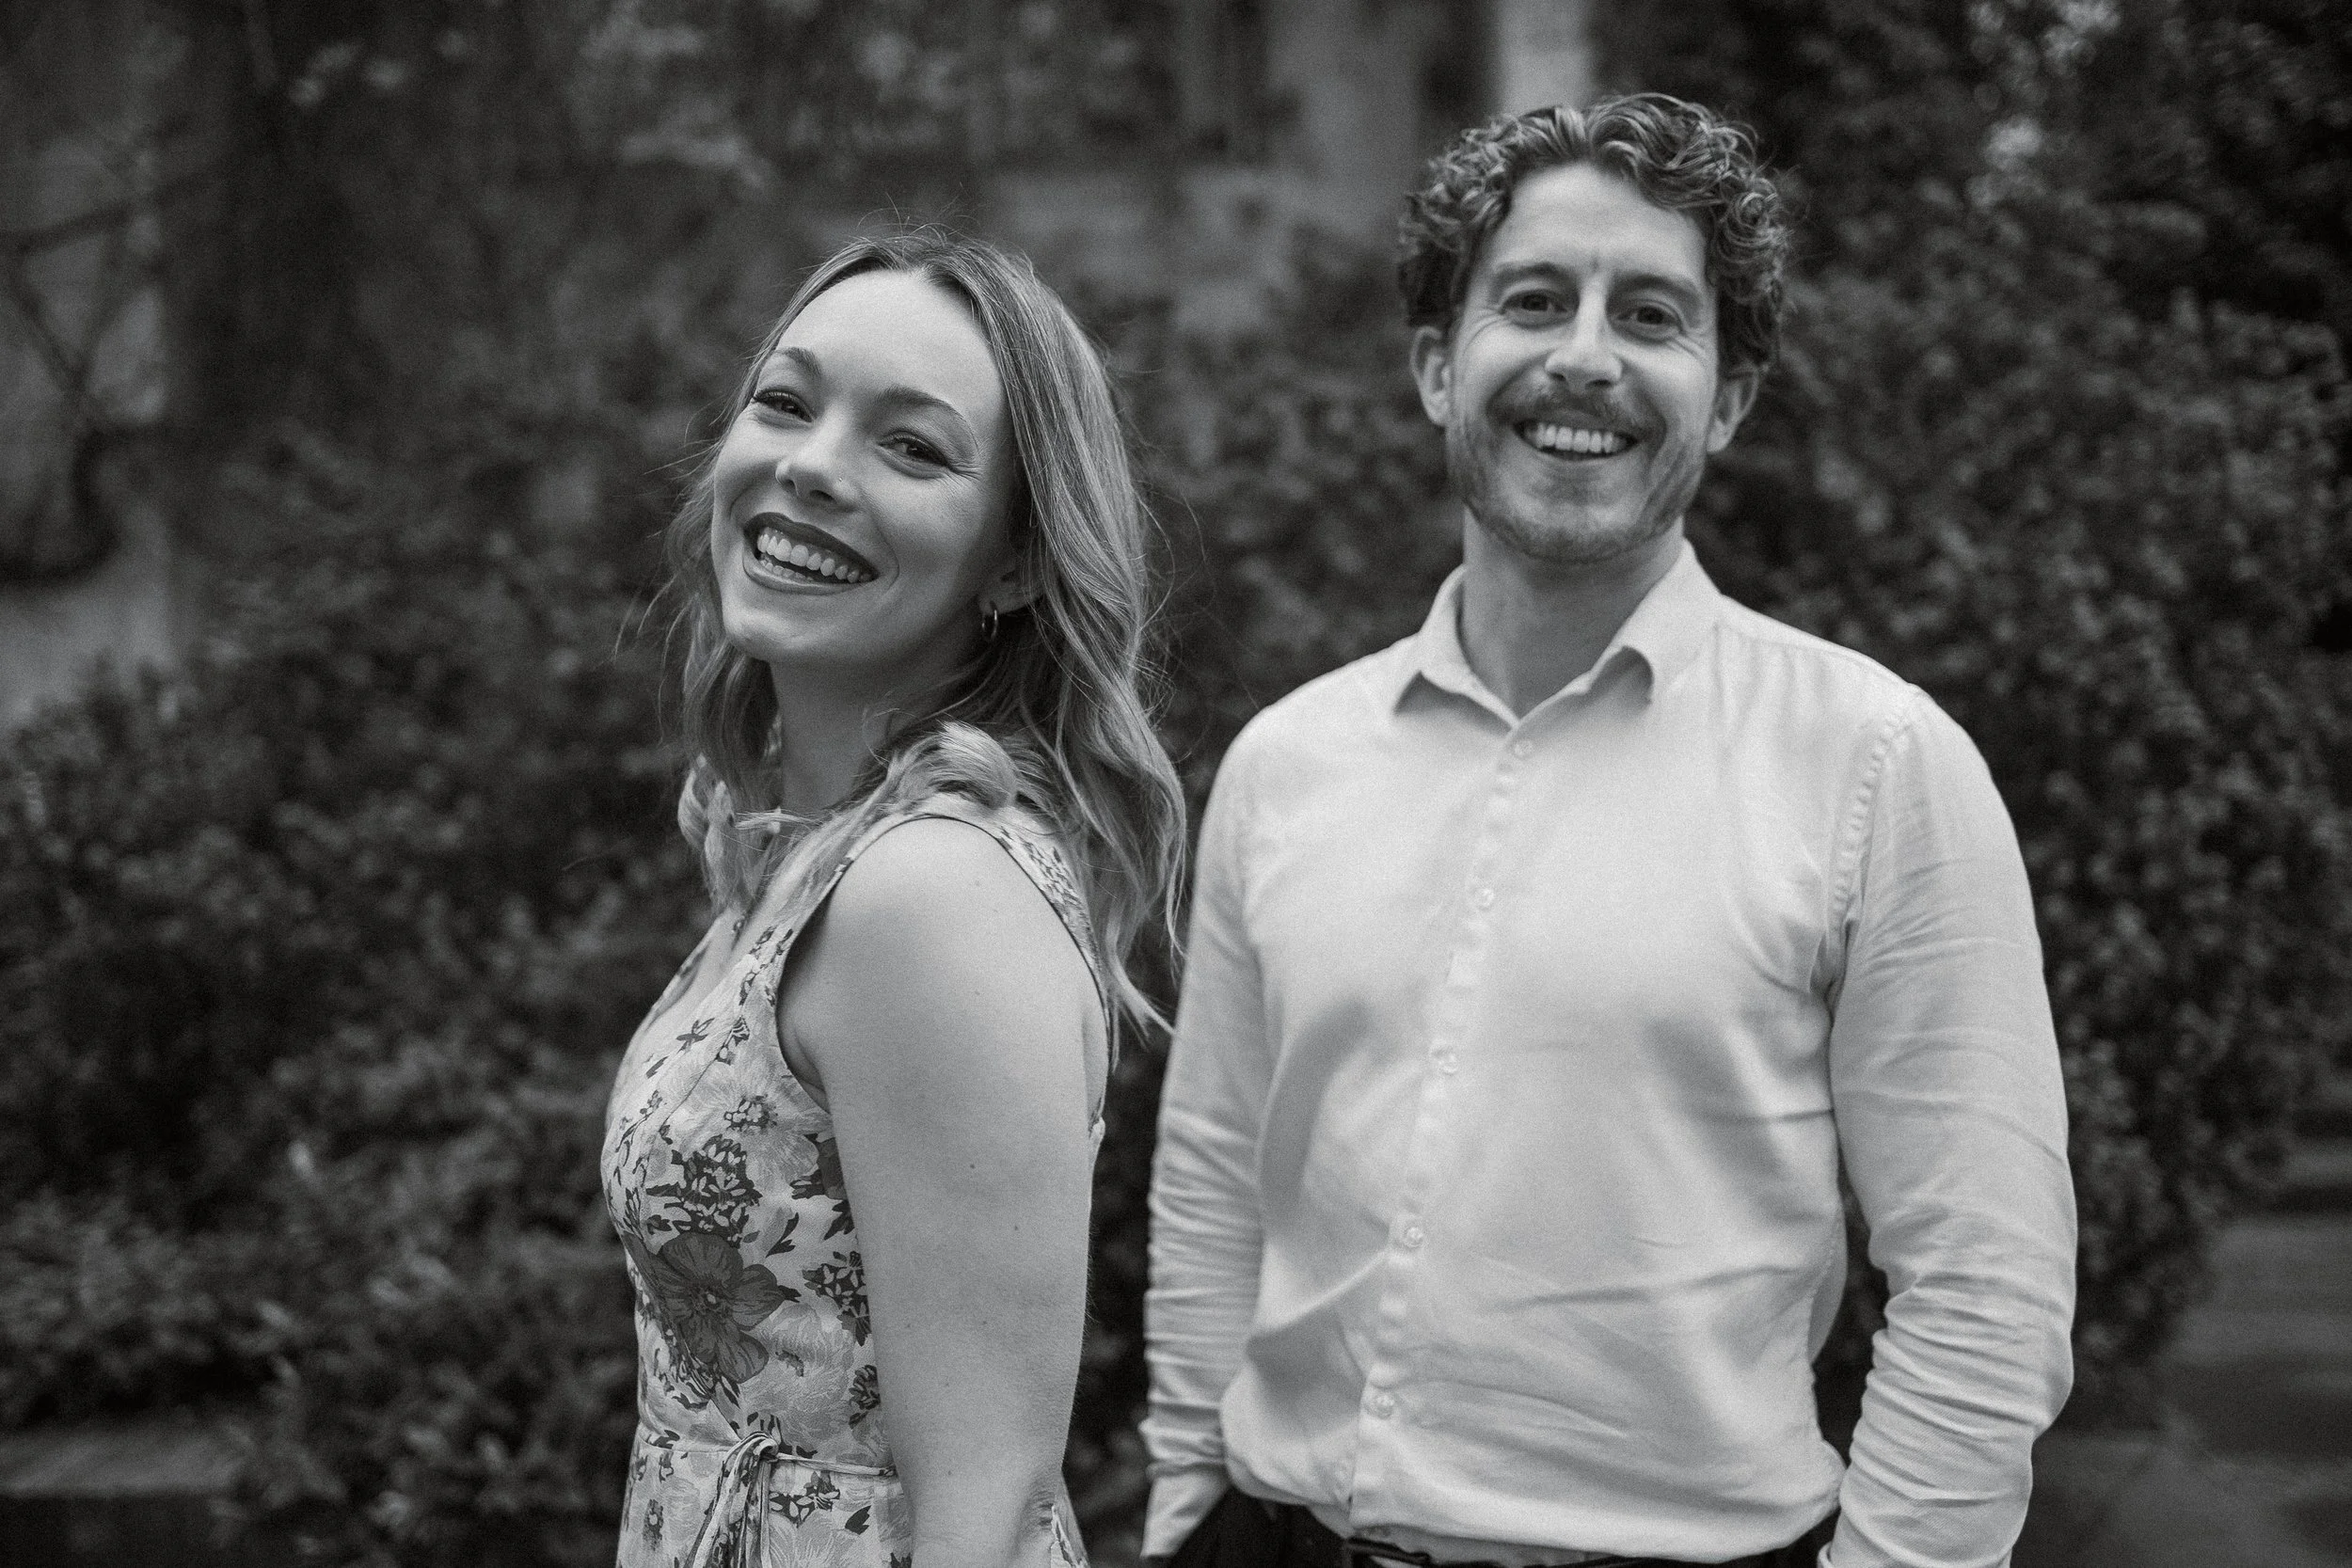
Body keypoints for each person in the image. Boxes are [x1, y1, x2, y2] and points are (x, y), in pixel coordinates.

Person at [1144, 95, 2074, 1568]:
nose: (1586, 354)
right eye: (1533, 299)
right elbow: (1211, 1192)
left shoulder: (1879, 765)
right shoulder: (1286, 762)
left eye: (1652, 312)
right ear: (1440, 366)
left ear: (1729, 396)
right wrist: (1187, 1505)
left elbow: (1985, 1286)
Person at [605, 228, 1185, 1568]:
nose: (812, 466)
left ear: (1018, 561)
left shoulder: (929, 896)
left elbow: (985, 1491)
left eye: (912, 447)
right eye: (787, 402)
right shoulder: (821, 852)